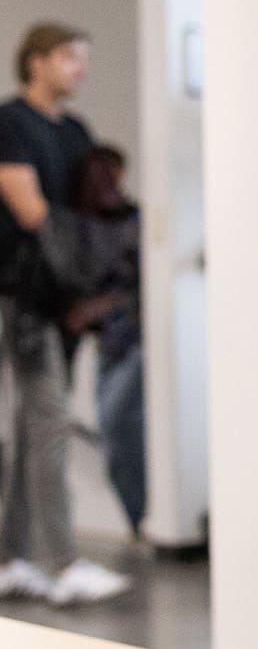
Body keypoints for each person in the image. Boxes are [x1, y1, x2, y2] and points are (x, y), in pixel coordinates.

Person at [0, 24, 129, 606]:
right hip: (22, 299)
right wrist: (88, 245)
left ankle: (10, 559)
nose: (80, 68)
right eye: (71, 58)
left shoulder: (76, 132)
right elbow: (30, 211)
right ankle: (64, 562)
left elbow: (90, 205)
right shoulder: (11, 125)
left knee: (34, 430)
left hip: (64, 303)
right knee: (49, 422)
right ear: (37, 61)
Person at [58, 144, 146, 539]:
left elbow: (143, 283)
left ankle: (140, 518)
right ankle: (136, 519)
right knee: (112, 432)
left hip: (133, 340)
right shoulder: (82, 226)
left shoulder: (133, 222)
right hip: (107, 345)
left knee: (116, 425)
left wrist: (100, 308)